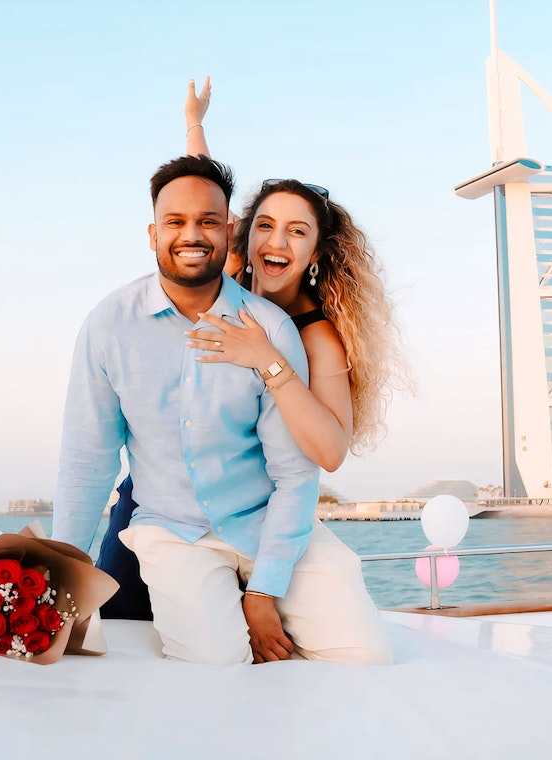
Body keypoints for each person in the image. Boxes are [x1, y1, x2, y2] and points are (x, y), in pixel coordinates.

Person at [54, 155, 391, 665]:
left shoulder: (278, 330)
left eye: (208, 222)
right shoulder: (108, 326)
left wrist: (264, 590)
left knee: (363, 654)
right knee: (215, 662)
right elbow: (87, 462)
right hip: (172, 527)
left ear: (227, 232)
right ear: (152, 234)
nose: (192, 233)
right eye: (175, 222)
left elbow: (298, 472)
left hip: (266, 521)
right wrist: (62, 576)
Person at [95, 78, 405, 621]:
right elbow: (198, 195)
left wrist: (268, 359)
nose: (275, 244)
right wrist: (195, 121)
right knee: (115, 616)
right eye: (264, 226)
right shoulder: (230, 272)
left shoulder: (315, 335)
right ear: (243, 232)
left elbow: (330, 451)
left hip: (255, 511)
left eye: (296, 233)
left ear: (314, 252)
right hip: (164, 495)